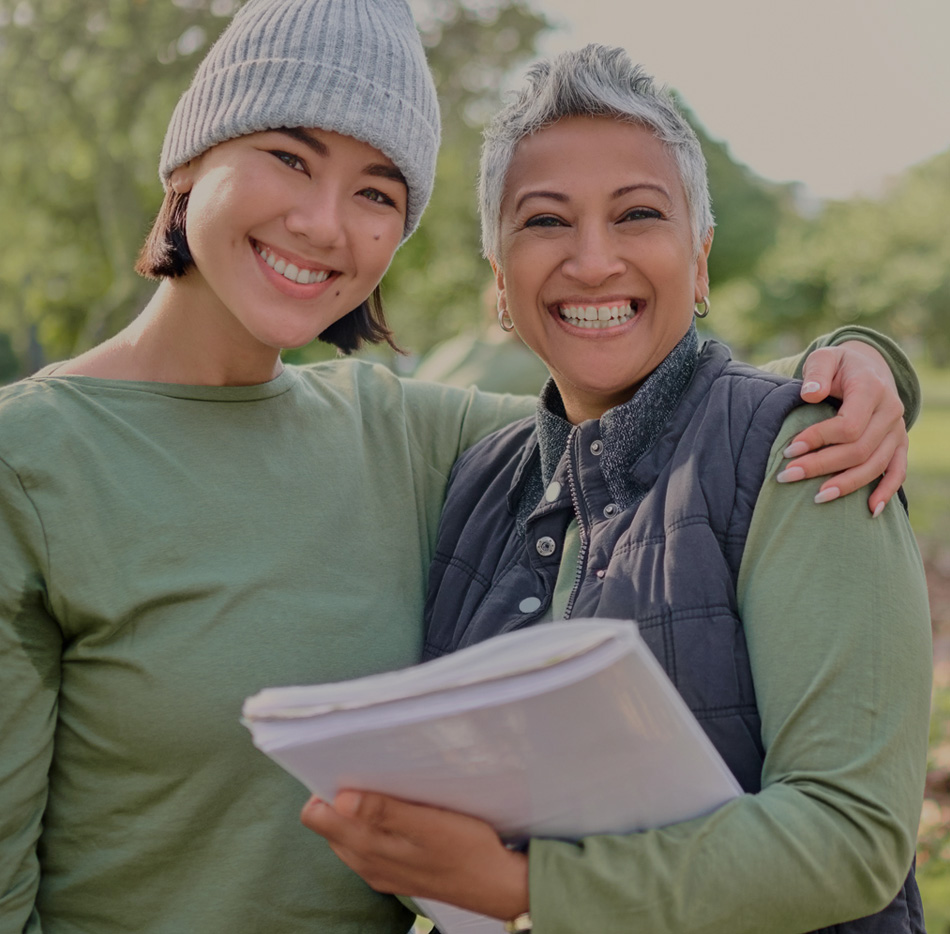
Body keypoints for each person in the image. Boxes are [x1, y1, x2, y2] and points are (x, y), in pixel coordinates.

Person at [0, 1, 919, 929]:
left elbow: (667, 410)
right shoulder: (28, 460)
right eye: (289, 156)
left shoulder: (397, 435)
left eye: (376, 192)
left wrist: (860, 366)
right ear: (190, 159)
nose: (324, 223)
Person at [300, 46, 932, 934]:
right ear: (499, 283)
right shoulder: (478, 477)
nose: (593, 262)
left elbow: (850, 837)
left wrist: (529, 889)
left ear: (699, 259)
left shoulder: (808, 450)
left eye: (638, 215)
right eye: (546, 222)